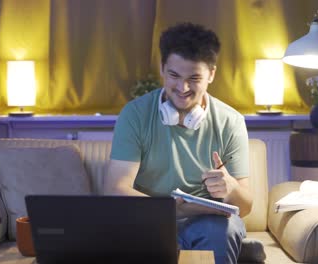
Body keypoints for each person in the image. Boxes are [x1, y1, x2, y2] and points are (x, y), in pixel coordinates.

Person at [104, 22, 253, 264]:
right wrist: (172, 210)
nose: (182, 88)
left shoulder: (231, 121)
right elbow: (115, 190)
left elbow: (245, 207)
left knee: (221, 230)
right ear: (162, 68)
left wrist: (232, 188)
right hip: (149, 219)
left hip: (208, 224)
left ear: (211, 75)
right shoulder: (135, 114)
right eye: (174, 75)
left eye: (194, 78)